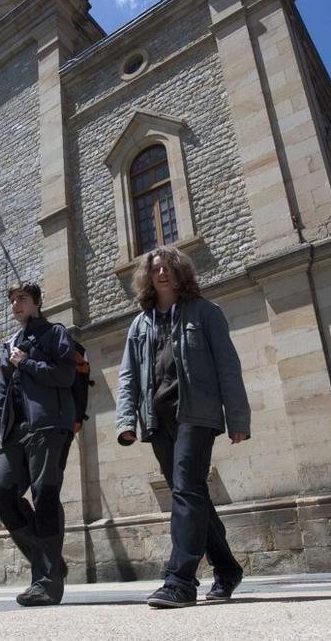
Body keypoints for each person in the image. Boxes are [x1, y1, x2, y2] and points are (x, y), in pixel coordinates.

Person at [115, 246, 250, 608]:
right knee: (192, 495)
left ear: (181, 273)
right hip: (157, 420)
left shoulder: (206, 313)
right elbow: (127, 376)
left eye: (168, 268)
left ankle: (180, 581)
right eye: (155, 269)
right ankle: (227, 569)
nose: (162, 274)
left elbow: (228, 368)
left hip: (197, 414)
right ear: (147, 276)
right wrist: (126, 420)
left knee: (186, 491)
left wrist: (237, 418)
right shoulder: (139, 324)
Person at [0, 282, 77, 606]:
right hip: (13, 432)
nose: (15, 304)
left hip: (48, 425)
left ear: (37, 303)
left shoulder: (55, 334)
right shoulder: (8, 344)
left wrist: (26, 362)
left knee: (45, 494)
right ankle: (51, 563)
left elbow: (66, 376)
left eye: (22, 299)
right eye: (12, 300)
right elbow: (2, 393)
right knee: (3, 494)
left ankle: (47, 582)